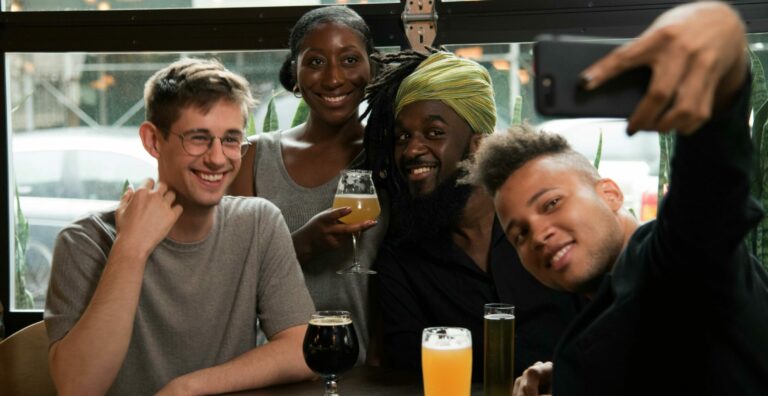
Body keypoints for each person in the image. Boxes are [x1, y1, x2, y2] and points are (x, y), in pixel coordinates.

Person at [468, 2, 768, 395]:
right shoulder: (610, 306)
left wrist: (717, 44)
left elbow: (710, 186)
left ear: (609, 193)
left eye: (551, 203)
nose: (538, 233)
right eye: (519, 234)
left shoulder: (673, 260)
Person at [44, 58, 316, 395]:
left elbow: (304, 349)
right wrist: (131, 248)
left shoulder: (258, 222)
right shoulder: (84, 241)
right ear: (153, 141)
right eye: (198, 138)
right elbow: (78, 387)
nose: (217, 158)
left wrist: (186, 387)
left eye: (231, 140)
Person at [363, 50, 584, 382]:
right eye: (403, 137)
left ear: (478, 146)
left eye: (434, 133)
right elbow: (409, 373)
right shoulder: (400, 262)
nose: (411, 150)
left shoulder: (547, 229)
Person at [229, 5, 386, 365]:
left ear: (371, 69)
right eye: (315, 62)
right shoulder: (254, 156)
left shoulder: (390, 158)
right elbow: (229, 278)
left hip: (368, 373)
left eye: (349, 60)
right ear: (295, 75)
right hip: (269, 372)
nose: (333, 78)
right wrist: (300, 244)